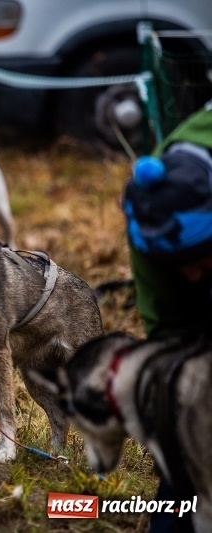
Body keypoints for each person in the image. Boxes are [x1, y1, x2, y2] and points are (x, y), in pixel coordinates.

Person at [123, 102, 212, 532]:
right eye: (179, 264)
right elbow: (169, 331)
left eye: (199, 258)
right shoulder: (153, 213)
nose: (191, 275)